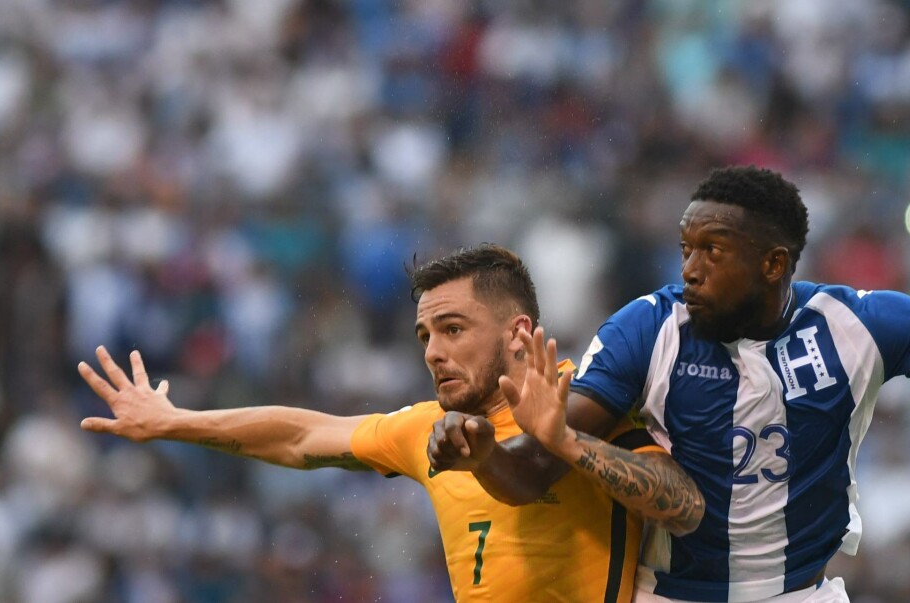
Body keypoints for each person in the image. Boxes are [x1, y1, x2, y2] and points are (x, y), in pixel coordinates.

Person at [430, 167, 910, 603]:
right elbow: (533, 467)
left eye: (713, 250)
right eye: (686, 249)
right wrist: (483, 450)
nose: (690, 269)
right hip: (673, 596)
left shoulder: (862, 323)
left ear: (774, 264)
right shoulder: (648, 327)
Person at [77, 244, 704, 603]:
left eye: (453, 329)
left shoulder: (583, 400)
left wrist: (563, 443)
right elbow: (300, 436)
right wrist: (176, 421)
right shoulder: (428, 429)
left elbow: (681, 503)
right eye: (425, 335)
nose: (433, 352)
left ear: (518, 333)